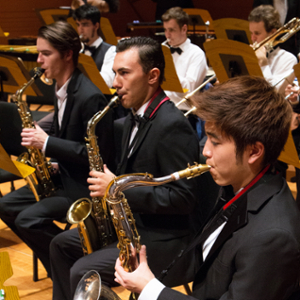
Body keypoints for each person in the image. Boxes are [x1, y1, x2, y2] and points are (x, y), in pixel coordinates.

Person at [50, 36, 216, 300]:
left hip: (168, 240)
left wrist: (116, 188)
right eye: (115, 72)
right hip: (136, 225)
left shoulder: (171, 125)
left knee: (82, 269)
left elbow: (184, 199)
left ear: (152, 76)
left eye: (124, 73)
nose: (115, 82)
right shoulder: (128, 118)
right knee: (60, 244)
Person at [114, 75, 300, 300]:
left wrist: (150, 289)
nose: (205, 152)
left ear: (254, 151)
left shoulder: (272, 237)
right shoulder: (237, 185)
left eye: (216, 141)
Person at [0, 20, 114, 278]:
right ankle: (59, 266)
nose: (39, 60)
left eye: (45, 54)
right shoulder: (61, 88)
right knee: (6, 206)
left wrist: (47, 143)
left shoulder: (89, 96)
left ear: (67, 54)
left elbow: (97, 156)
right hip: (63, 174)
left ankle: (69, 260)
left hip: (82, 186)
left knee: (27, 220)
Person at [161, 7, 208, 111]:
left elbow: (188, 91)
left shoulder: (196, 54)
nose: (167, 35)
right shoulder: (162, 50)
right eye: (165, 30)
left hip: (182, 111)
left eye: (172, 30)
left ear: (184, 29)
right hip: (160, 108)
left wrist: (169, 75)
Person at [249, 5, 297, 94]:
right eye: (251, 33)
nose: (252, 38)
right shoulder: (248, 55)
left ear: (273, 33)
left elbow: (274, 95)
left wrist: (263, 64)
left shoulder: (288, 59)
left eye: (257, 33)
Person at [73, 4, 115, 87]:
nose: (80, 29)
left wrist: (85, 66)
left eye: (85, 25)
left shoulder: (110, 50)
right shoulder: (77, 49)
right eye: (78, 24)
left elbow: (108, 82)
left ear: (96, 26)